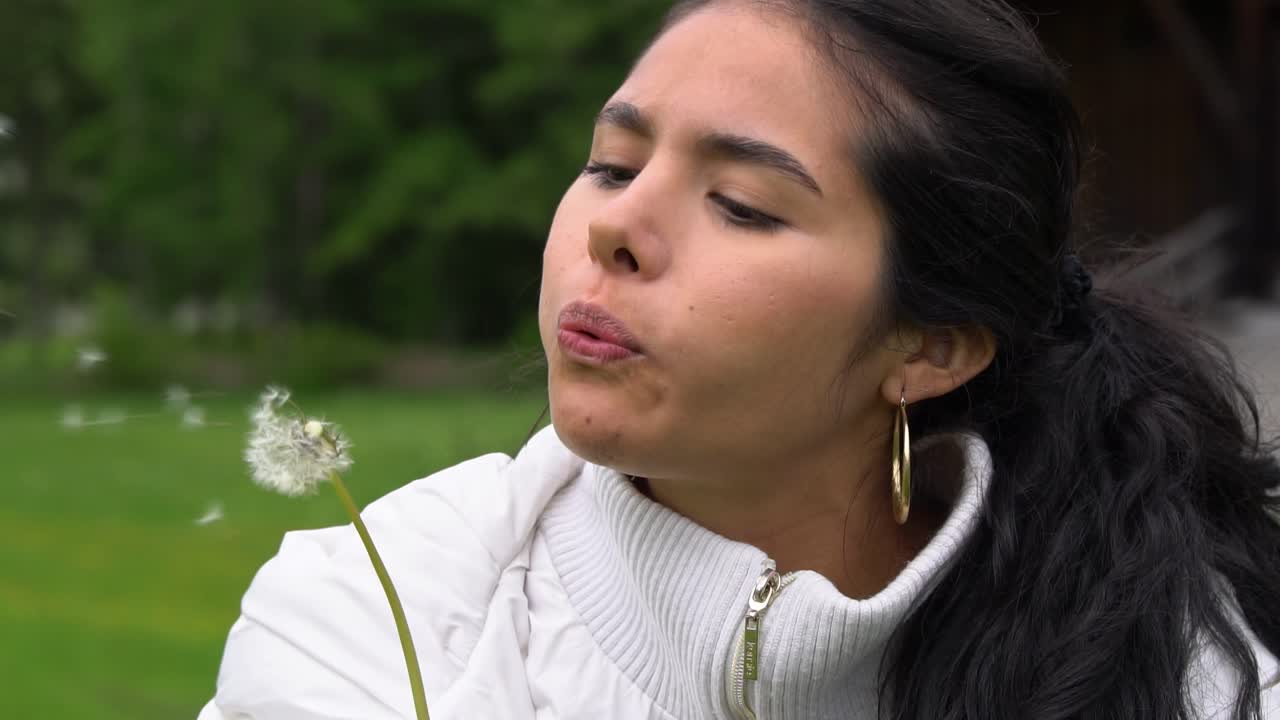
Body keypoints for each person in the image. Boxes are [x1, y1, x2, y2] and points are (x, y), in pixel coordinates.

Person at [198, 1, 1280, 718]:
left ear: (929, 346)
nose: (613, 229)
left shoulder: (1166, 665)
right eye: (613, 164)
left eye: (740, 205)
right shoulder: (373, 625)